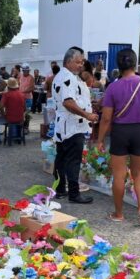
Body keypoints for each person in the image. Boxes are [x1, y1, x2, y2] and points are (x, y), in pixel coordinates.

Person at [96, 48, 140, 225]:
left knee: (119, 174)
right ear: (135, 63)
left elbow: (106, 118)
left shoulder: (113, 87)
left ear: (118, 65)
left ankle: (119, 214)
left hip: (121, 132)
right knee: (139, 173)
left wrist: (100, 140)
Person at [52, 46, 98, 204]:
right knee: (73, 160)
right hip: (72, 126)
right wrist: (87, 115)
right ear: (69, 61)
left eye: (82, 62)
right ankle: (74, 194)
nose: (81, 65)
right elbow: (68, 102)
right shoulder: (67, 78)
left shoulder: (65, 76)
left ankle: (59, 190)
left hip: (65, 125)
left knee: (62, 158)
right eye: (78, 62)